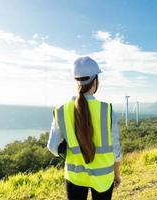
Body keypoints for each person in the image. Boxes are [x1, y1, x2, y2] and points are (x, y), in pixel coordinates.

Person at [47, 56, 121, 200]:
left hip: (75, 177)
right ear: (95, 81)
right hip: (103, 177)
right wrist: (116, 174)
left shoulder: (61, 110)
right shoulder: (107, 109)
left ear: (76, 82)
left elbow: (52, 147)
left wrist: (68, 148)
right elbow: (116, 150)